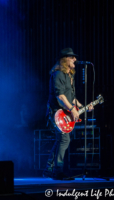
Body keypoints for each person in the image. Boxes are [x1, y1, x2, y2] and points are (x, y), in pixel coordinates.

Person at [44, 48, 93, 180]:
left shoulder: (69, 76)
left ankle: (50, 168)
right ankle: (57, 171)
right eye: (72, 57)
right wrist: (72, 109)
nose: (75, 60)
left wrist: (83, 107)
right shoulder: (58, 74)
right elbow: (60, 96)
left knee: (61, 140)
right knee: (64, 139)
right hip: (56, 113)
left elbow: (71, 99)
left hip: (65, 112)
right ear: (65, 59)